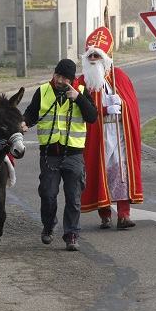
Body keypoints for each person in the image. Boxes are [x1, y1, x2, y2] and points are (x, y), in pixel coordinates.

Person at [22, 59, 98, 251]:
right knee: (48, 194)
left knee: (73, 197)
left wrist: (78, 98)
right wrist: (23, 123)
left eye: (65, 78)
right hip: (49, 153)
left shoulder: (80, 91)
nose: (61, 80)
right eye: (59, 75)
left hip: (73, 153)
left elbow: (92, 117)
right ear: (54, 74)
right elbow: (31, 114)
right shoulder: (43, 91)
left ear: (72, 80)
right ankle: (48, 226)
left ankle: (71, 234)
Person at [78, 27, 143, 230]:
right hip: (97, 135)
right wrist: (105, 108)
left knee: (121, 173)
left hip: (120, 133)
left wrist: (122, 105)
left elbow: (132, 107)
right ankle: (104, 215)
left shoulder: (120, 77)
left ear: (106, 57)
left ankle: (123, 215)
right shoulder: (82, 82)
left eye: (97, 55)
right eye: (90, 55)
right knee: (100, 173)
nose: (94, 59)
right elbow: (82, 110)